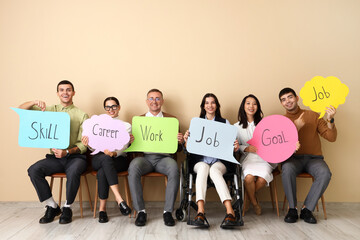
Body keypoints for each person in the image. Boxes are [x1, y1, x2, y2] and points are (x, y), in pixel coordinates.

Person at [20, 80, 89, 224]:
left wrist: (67, 152)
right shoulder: (48, 110)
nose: (65, 92)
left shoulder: (82, 115)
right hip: (55, 158)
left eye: (68, 90)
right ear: (58, 93)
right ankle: (52, 206)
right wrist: (33, 101)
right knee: (34, 170)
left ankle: (67, 207)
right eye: (62, 90)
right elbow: (21, 110)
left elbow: (83, 144)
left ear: (73, 93)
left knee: (74, 169)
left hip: (75, 157)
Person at [279, 87, 337, 224]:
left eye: (290, 97)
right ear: (281, 104)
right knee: (286, 169)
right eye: (283, 99)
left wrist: (331, 120)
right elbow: (280, 148)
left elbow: (331, 137)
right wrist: (295, 127)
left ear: (297, 98)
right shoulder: (280, 121)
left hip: (314, 159)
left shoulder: (313, 115)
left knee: (325, 173)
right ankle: (292, 209)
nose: (287, 101)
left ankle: (307, 209)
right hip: (292, 159)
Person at [127, 89, 184, 227]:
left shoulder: (172, 120)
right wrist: (129, 140)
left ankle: (168, 212)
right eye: (151, 99)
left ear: (162, 101)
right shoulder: (139, 120)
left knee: (173, 168)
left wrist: (180, 142)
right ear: (147, 102)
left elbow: (178, 148)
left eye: (157, 98)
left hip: (164, 159)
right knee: (133, 166)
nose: (154, 101)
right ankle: (141, 211)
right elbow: (132, 147)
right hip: (145, 158)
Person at [183, 93, 240, 227]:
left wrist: (235, 147)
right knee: (203, 168)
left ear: (217, 105)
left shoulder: (224, 123)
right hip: (200, 161)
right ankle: (200, 211)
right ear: (203, 106)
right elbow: (188, 148)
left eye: (213, 102)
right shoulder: (197, 123)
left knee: (214, 171)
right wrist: (186, 140)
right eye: (207, 103)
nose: (210, 105)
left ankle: (230, 211)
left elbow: (230, 147)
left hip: (219, 162)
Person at [81, 97, 134, 223]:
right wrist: (88, 143)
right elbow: (93, 146)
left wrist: (114, 152)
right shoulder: (97, 125)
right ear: (105, 109)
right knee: (105, 159)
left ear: (119, 107)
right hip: (98, 158)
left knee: (103, 170)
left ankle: (102, 210)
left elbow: (124, 146)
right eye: (108, 107)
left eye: (114, 106)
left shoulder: (126, 126)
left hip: (118, 159)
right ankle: (119, 199)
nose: (111, 109)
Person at [234, 94, 276, 215]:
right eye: (248, 103)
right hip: (248, 158)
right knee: (249, 178)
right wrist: (246, 148)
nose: (251, 106)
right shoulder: (236, 127)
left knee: (262, 179)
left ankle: (247, 199)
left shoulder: (265, 123)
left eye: (254, 103)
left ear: (258, 107)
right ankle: (255, 203)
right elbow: (235, 146)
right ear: (243, 106)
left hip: (264, 159)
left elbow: (273, 142)